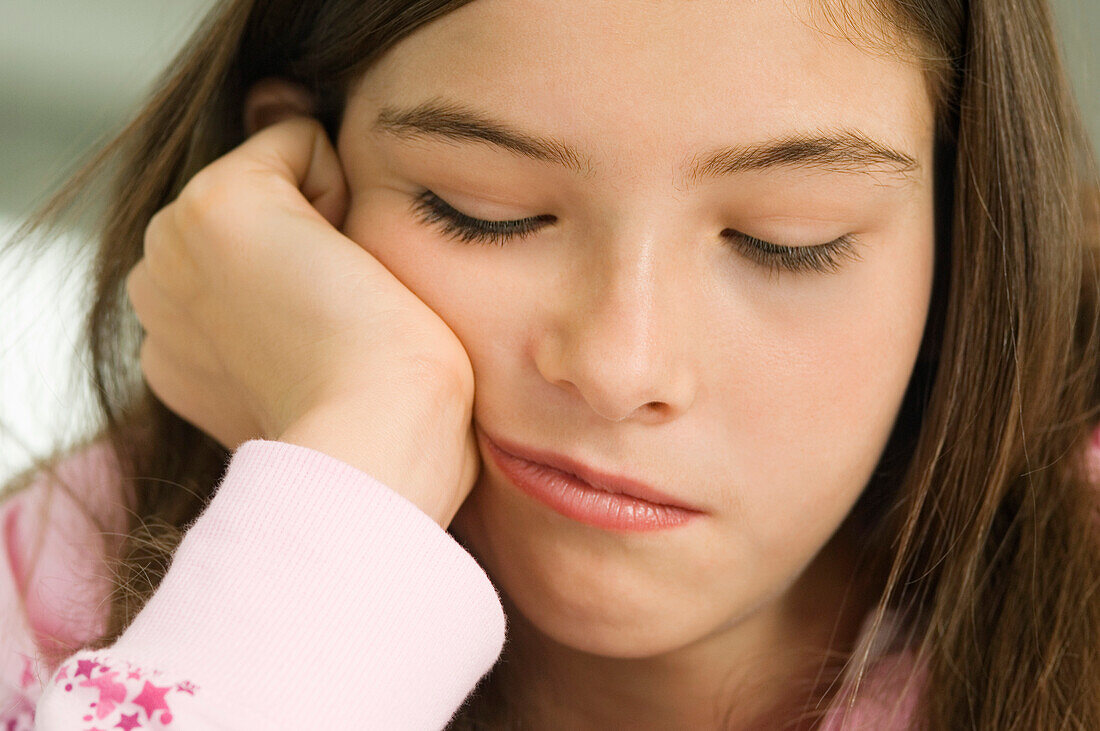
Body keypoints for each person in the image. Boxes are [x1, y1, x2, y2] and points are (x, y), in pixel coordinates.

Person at [2, 0, 1098, 728]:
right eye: (485, 211)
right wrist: (356, 455)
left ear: (968, 245)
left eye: (785, 238)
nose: (621, 365)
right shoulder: (40, 597)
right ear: (291, 196)